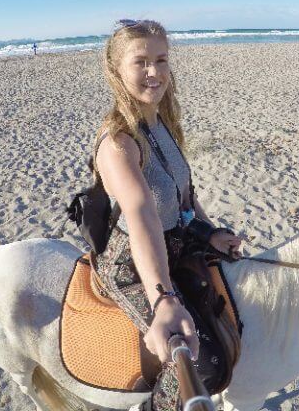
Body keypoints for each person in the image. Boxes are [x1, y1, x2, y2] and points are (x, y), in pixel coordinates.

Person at [93, 20, 242, 410]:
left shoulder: (162, 125)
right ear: (116, 71)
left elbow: (185, 199)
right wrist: (163, 300)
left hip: (179, 243)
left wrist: (209, 233)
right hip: (132, 264)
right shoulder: (119, 144)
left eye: (161, 60)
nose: (154, 72)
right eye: (140, 62)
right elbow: (142, 218)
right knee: (200, 366)